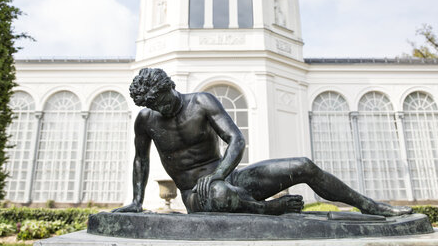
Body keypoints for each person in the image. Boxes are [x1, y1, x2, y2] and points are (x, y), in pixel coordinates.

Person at [113, 68, 412, 216]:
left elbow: (236, 140)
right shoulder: (147, 119)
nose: (160, 109)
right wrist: (136, 202)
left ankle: (370, 206)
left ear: (170, 88)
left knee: (303, 165)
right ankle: (270, 209)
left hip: (229, 177)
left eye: (162, 102)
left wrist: (219, 173)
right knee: (217, 193)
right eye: (152, 105)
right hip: (198, 194)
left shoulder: (202, 102)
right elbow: (142, 160)